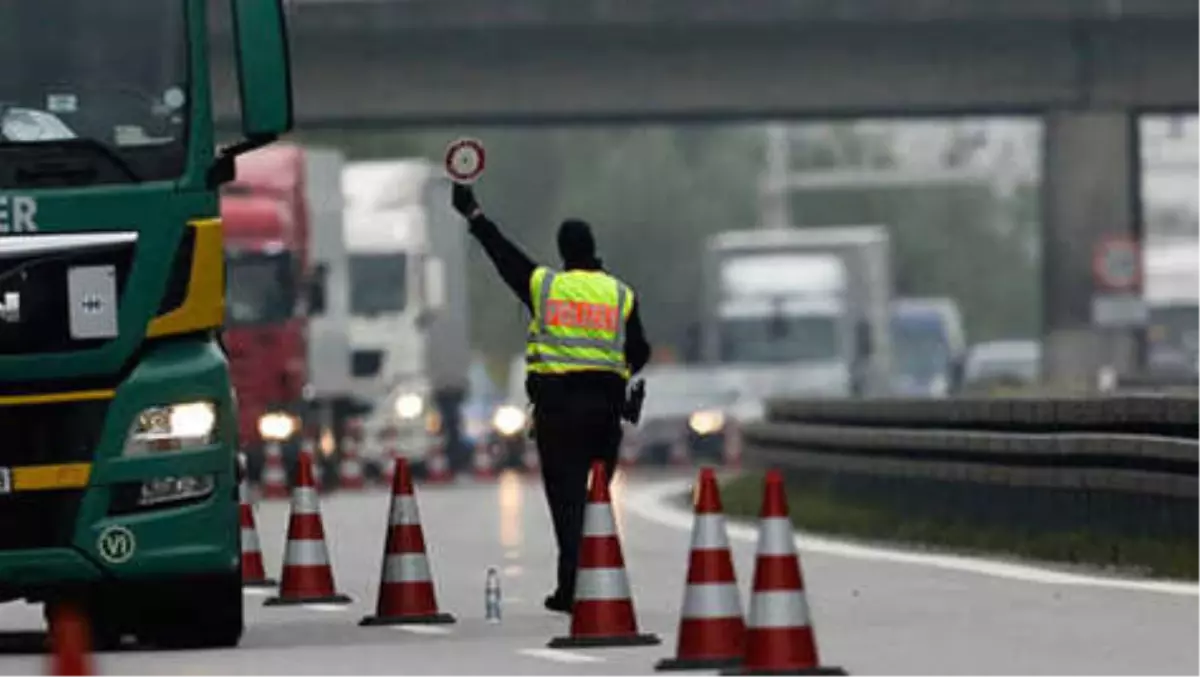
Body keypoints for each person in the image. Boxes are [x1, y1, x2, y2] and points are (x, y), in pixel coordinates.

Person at [450, 183, 651, 614]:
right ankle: (592, 584)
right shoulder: (620, 294)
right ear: (593, 249)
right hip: (606, 413)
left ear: (563, 251)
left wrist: (474, 215)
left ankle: (574, 589)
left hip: (559, 415)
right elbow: (640, 351)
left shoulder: (546, 287)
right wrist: (620, 376)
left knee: (567, 502)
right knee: (596, 498)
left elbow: (504, 256)